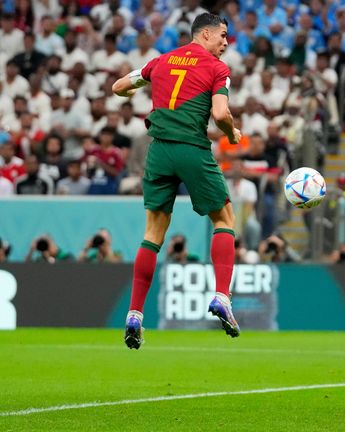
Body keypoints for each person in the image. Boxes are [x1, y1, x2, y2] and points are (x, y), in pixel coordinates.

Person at [112, 13, 243, 349]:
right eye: (223, 36)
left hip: (158, 152)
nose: (226, 43)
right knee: (225, 219)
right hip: (191, 149)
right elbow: (221, 114)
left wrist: (140, 87)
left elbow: (119, 87)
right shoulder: (217, 68)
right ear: (206, 33)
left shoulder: (162, 60)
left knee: (153, 233)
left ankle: (135, 314)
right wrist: (232, 133)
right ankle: (222, 297)